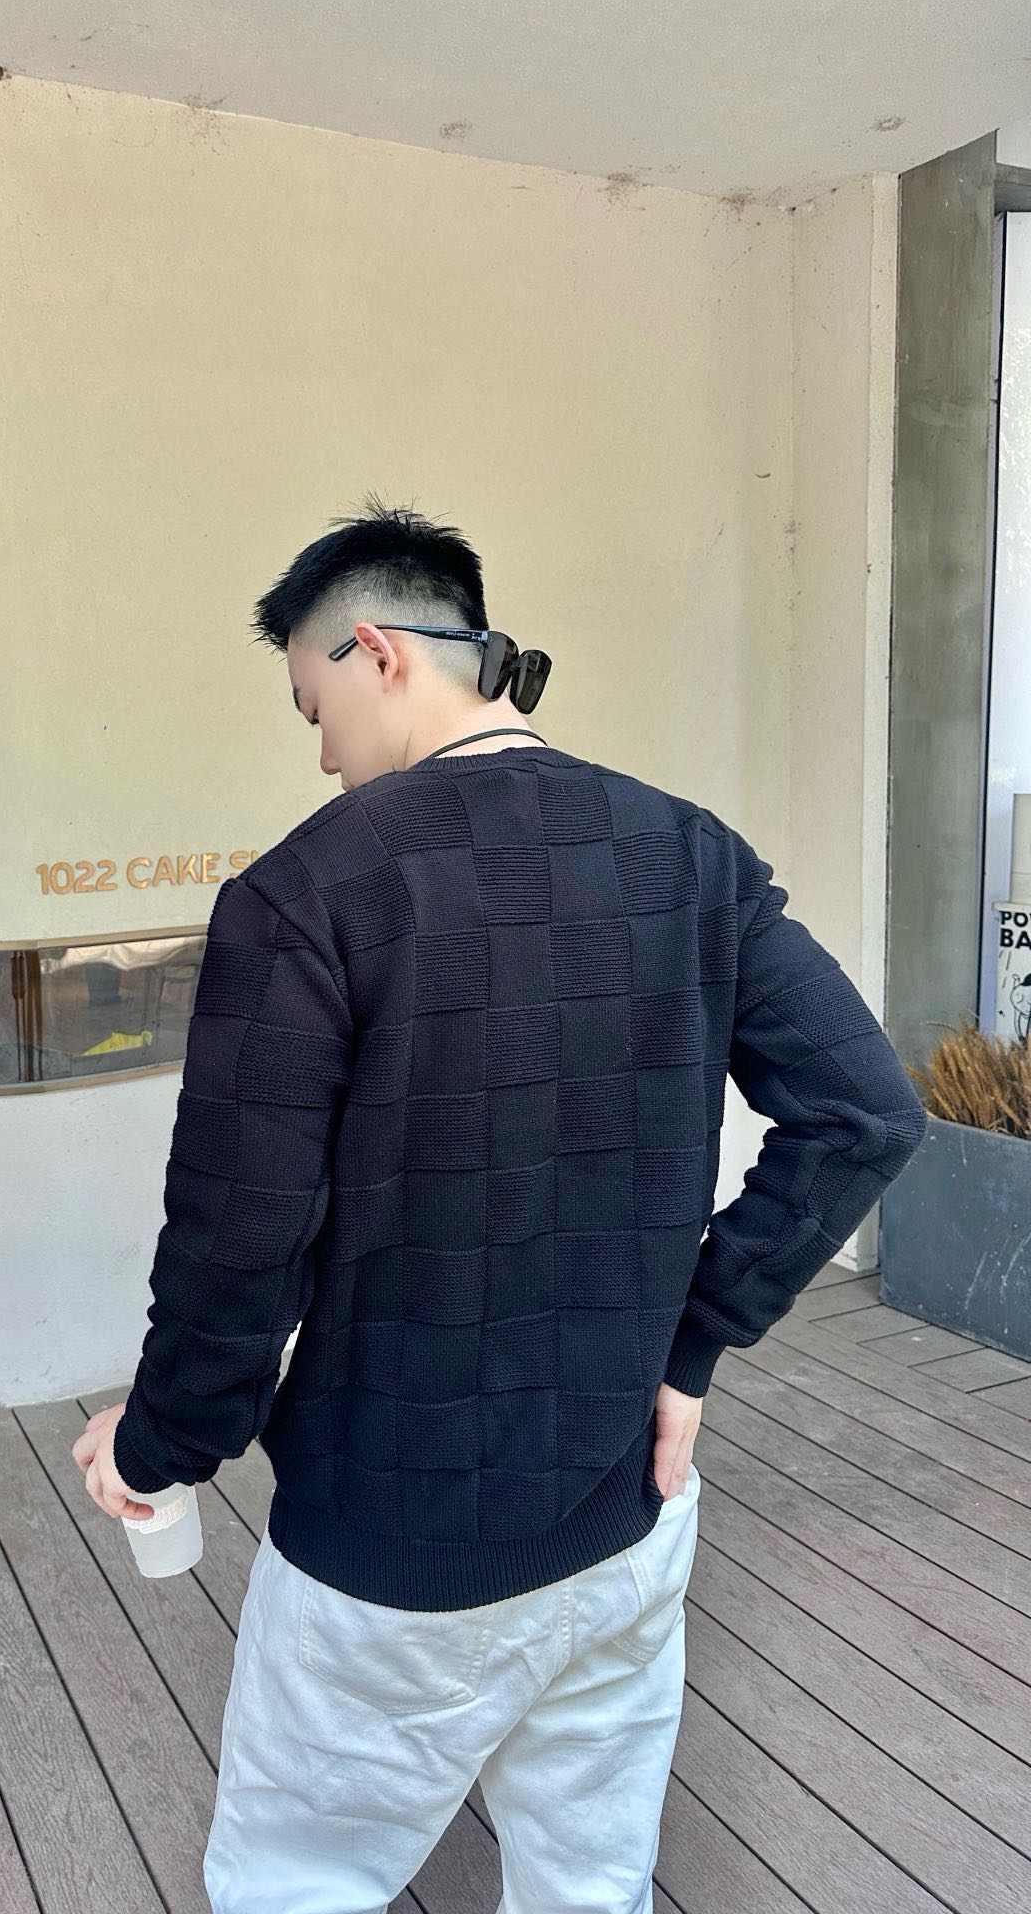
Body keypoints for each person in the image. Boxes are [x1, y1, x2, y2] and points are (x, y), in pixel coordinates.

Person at [71, 496, 930, 1913]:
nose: (322, 752)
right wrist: (691, 1349)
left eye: (312, 710)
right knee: (590, 1883)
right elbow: (866, 1114)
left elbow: (239, 1244)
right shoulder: (691, 855)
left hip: (389, 1548)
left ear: (375, 650)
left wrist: (156, 1449)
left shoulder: (303, 895)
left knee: (297, 1885)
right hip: (627, 1516)